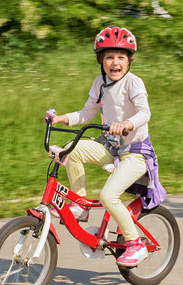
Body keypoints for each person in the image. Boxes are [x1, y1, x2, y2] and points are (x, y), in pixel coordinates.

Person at [49, 26, 166, 267]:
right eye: (109, 57)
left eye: (121, 57)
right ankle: (80, 204)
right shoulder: (99, 82)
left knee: (108, 196)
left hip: (135, 154)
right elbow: (86, 112)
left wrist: (126, 123)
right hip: (112, 149)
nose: (115, 62)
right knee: (71, 149)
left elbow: (145, 112)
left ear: (129, 61)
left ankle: (136, 243)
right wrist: (61, 118)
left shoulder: (134, 83)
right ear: (101, 60)